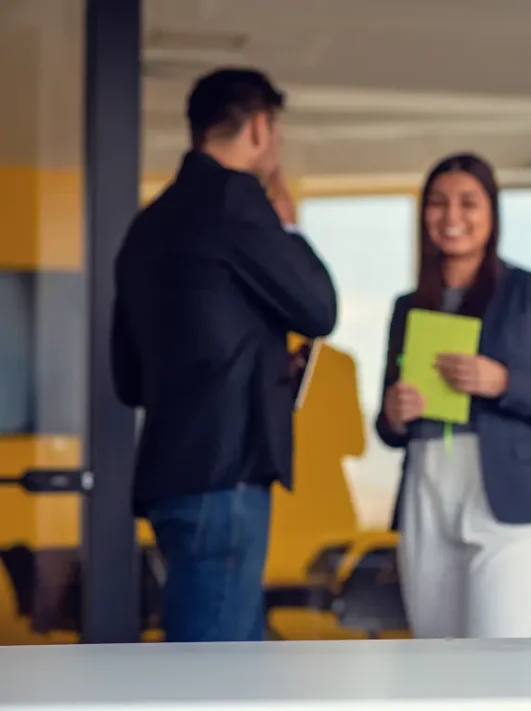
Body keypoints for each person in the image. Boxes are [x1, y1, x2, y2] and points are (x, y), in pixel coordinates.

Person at [110, 68, 337, 642]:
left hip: (170, 480)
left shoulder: (147, 225)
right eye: (275, 130)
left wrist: (255, 365)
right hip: (225, 478)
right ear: (259, 127)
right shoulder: (236, 200)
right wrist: (286, 226)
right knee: (212, 680)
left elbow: (129, 379)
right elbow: (317, 309)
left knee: (228, 660)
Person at [376, 152, 531, 639]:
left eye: (468, 203)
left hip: (507, 496)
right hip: (426, 490)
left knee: (500, 659)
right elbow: (386, 427)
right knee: (434, 660)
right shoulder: (408, 307)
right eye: (438, 203)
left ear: (492, 213)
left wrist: (504, 383)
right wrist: (392, 414)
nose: (452, 217)